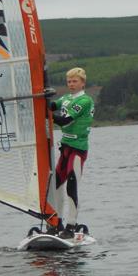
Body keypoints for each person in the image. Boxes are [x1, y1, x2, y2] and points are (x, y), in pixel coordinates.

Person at [47, 67, 94, 238]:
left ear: (82, 83)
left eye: (75, 81)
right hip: (65, 148)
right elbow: (53, 105)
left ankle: (71, 226)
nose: (71, 84)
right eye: (69, 81)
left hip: (78, 149)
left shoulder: (85, 101)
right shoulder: (66, 98)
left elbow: (64, 120)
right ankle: (57, 223)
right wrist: (43, 99)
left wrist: (46, 114)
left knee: (71, 186)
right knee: (56, 185)